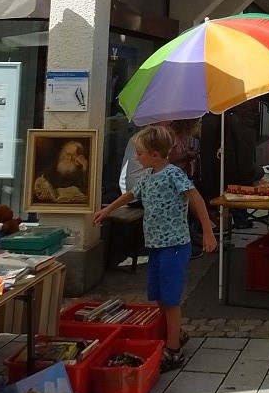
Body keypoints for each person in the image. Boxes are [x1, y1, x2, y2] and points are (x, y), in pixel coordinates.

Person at [94, 124, 217, 371]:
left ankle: (173, 350)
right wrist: (108, 209)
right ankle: (176, 334)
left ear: (154, 154)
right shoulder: (147, 178)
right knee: (159, 297)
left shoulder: (173, 174)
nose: (136, 158)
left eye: (139, 153)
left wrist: (207, 231)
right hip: (156, 247)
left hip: (174, 246)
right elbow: (130, 194)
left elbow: (195, 198)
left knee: (171, 300)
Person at [33, 139, 90, 205]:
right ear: (63, 153)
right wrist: (42, 190)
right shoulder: (55, 165)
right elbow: (41, 178)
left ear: (80, 156)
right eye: (68, 154)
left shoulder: (82, 169)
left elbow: (86, 187)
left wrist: (85, 165)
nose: (70, 158)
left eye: (74, 155)